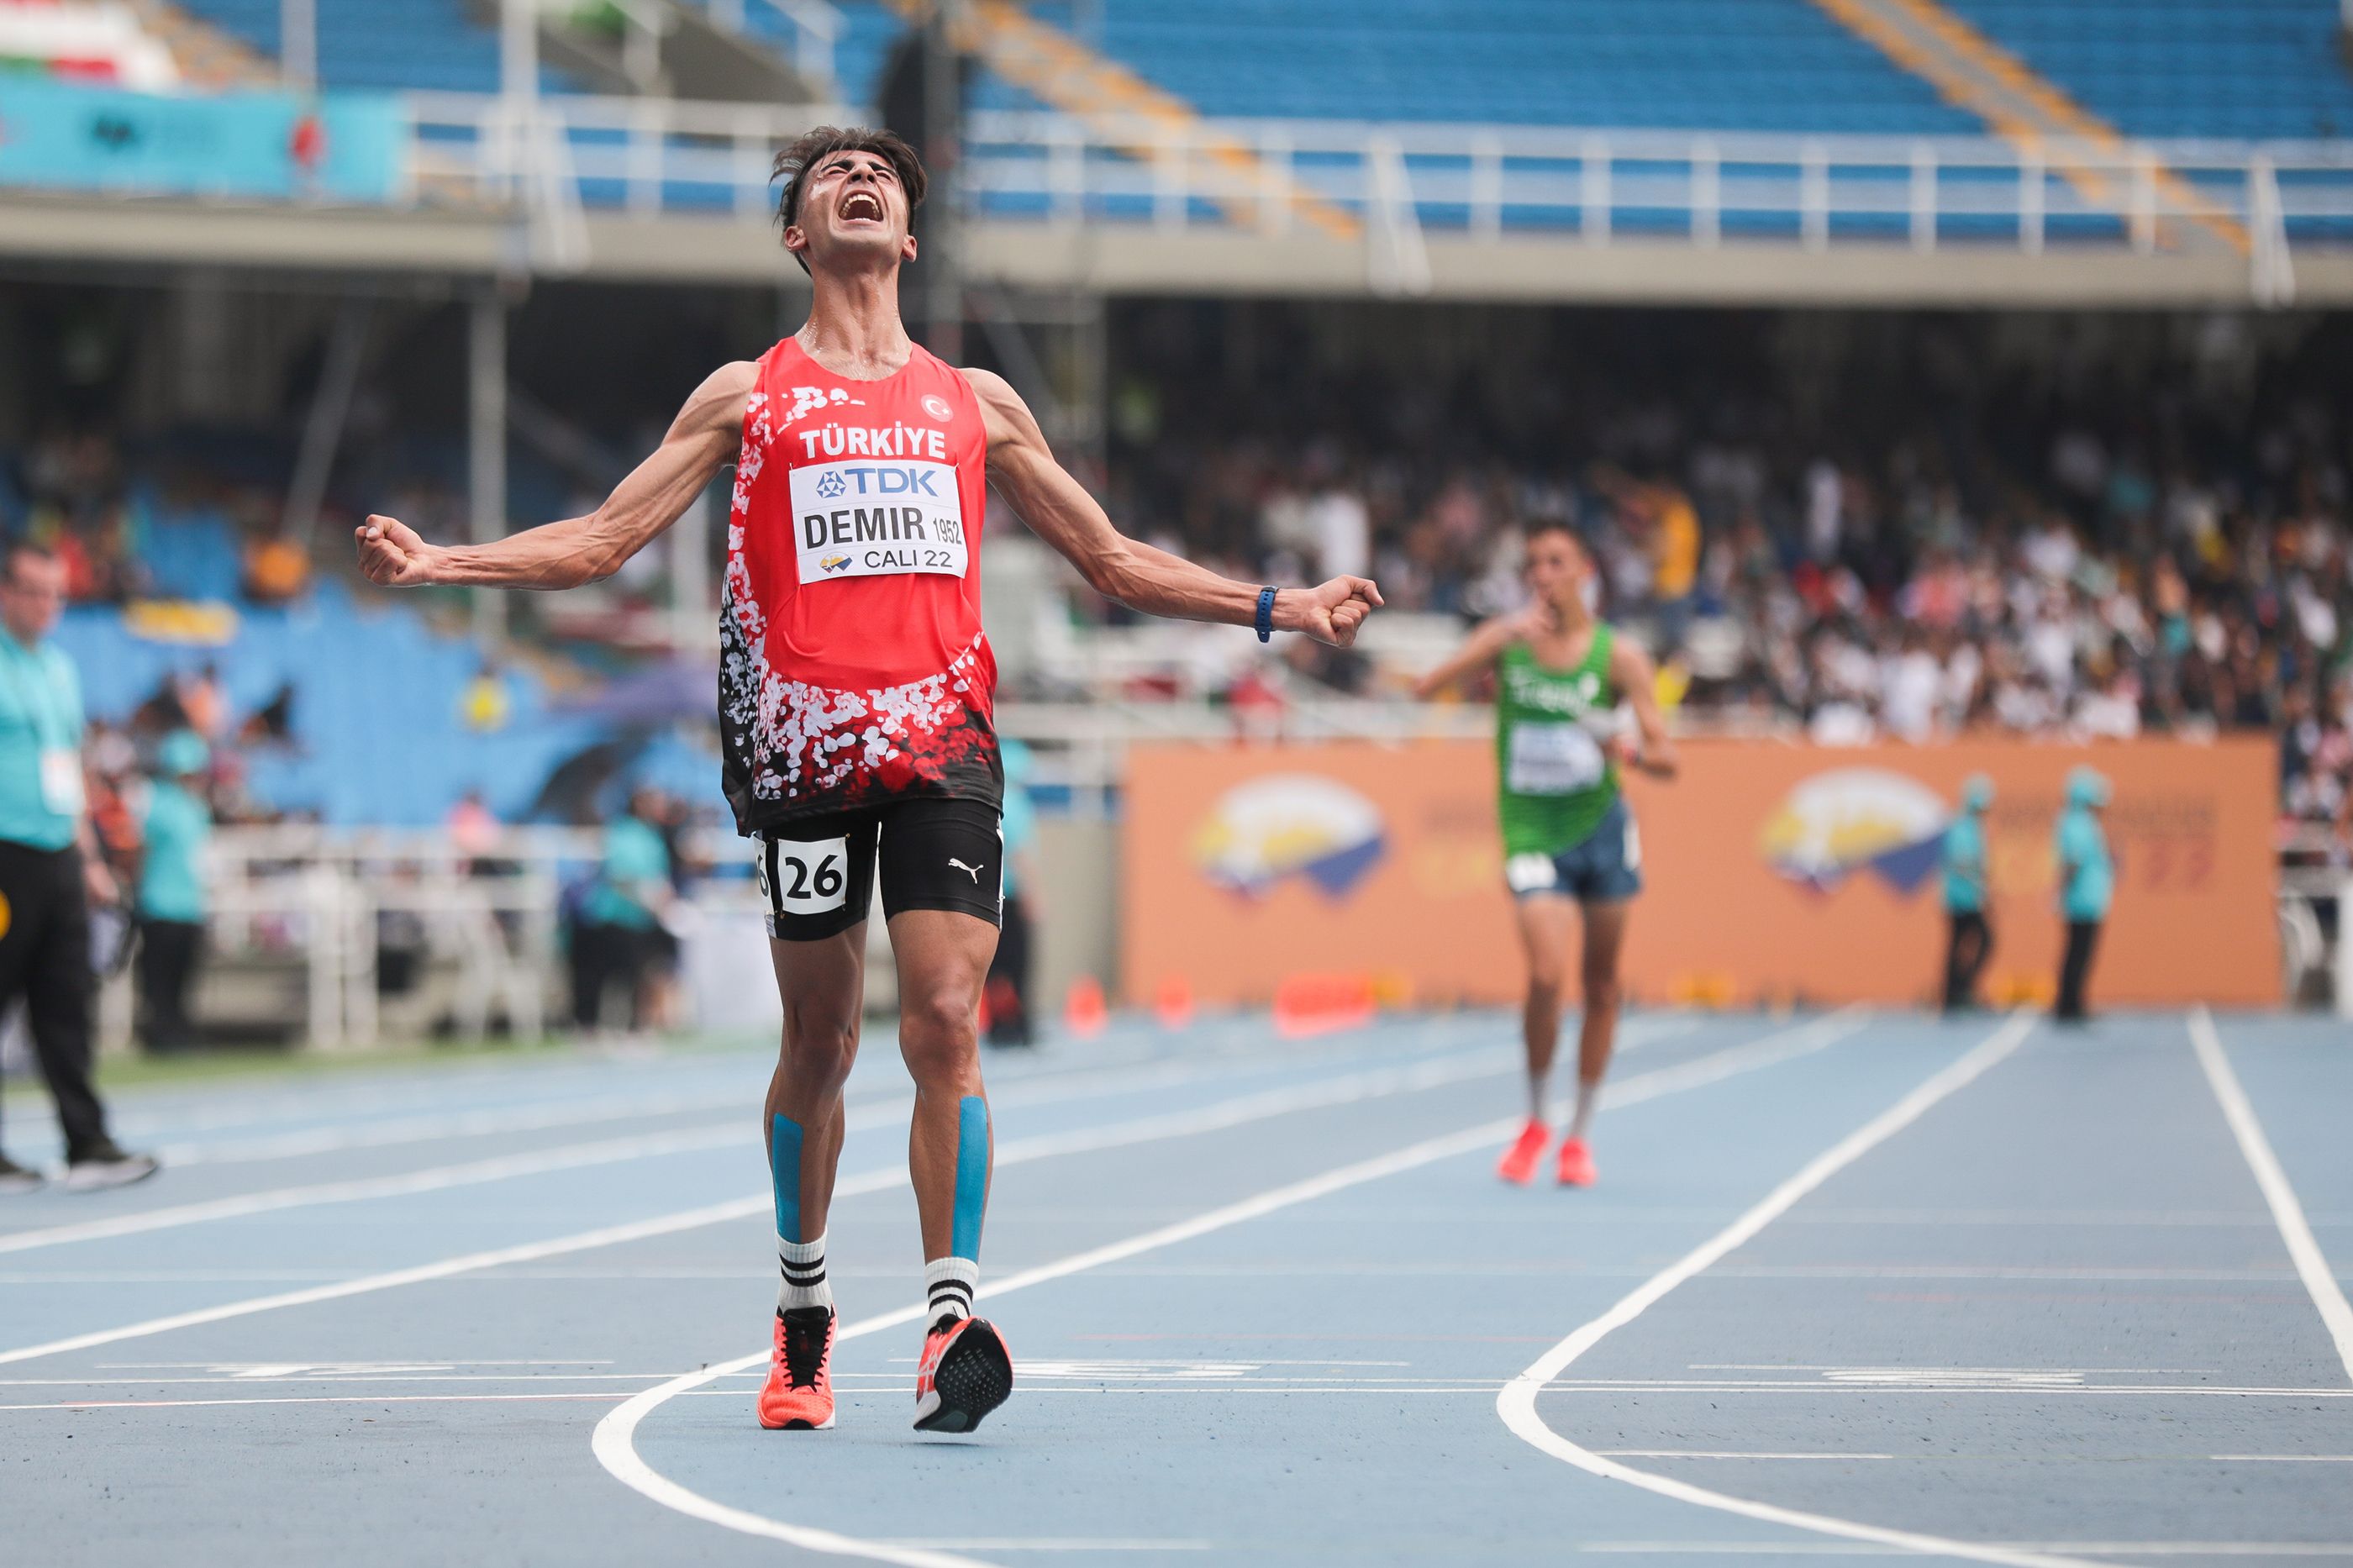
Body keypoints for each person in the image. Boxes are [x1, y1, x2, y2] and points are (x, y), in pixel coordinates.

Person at [355, 125, 1379, 1437]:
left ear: (908, 235)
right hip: (806, 752)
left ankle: (951, 1311)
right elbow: (607, 537)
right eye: (830, 175)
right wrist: (448, 563)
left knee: (948, 1012)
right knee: (821, 1040)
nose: (859, 179)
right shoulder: (750, 392)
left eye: (881, 177)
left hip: (945, 746)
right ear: (799, 235)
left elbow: (1113, 561)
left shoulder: (978, 401)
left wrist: (1282, 607)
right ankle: (801, 1313)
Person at [1413, 524, 1675, 1189]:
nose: (1542, 575)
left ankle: (1580, 1136)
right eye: (1532, 564)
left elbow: (1667, 757)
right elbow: (1426, 689)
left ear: (1585, 569)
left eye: (1556, 562)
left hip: (1603, 830)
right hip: (1532, 831)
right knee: (1548, 975)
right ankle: (1535, 1119)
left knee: (1604, 987)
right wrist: (1493, 643)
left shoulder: (1619, 658)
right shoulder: (1511, 643)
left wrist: (1626, 746)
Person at [0, 542, 157, 1193]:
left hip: (58, 855)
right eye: (33, 590)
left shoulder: (59, 669)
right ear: (4, 591)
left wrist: (89, 856)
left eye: (56, 593)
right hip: (3, 854)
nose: (46, 605)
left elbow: (69, 768)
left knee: (66, 1002)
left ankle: (87, 1142)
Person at [134, 729, 213, 1055]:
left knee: (184, 976)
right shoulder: (155, 801)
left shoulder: (197, 808)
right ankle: (159, 1033)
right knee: (158, 978)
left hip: (190, 903)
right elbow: (139, 849)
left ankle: (179, 1032)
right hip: (159, 902)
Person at [571, 788, 673, 1033]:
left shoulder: (653, 836)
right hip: (613, 916)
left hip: (641, 919)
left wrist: (664, 899)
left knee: (642, 975)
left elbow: (660, 876)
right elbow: (618, 874)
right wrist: (644, 895)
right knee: (601, 977)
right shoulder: (620, 832)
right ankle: (590, 1027)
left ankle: (635, 1028)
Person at [984, 737, 1043, 1048]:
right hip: (1013, 896)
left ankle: (997, 1025)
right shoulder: (1016, 803)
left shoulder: (989, 798)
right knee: (1019, 965)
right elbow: (1020, 854)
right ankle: (1020, 1025)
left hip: (989, 894)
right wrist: (1034, 896)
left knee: (993, 968)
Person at [2053, 766, 2113, 1024]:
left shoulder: (2081, 822)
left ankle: (2073, 1001)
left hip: (2087, 898)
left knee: (2078, 952)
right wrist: (2062, 890)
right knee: (2078, 952)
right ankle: (2070, 1003)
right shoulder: (2077, 823)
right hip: (2082, 900)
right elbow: (2073, 862)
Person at [1940, 774, 1994, 1013]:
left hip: (1966, 894)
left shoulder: (1972, 826)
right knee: (1981, 939)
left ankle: (1956, 991)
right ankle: (1959, 990)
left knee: (1960, 943)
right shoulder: (1962, 826)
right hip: (1961, 896)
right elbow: (1962, 863)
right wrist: (1981, 889)